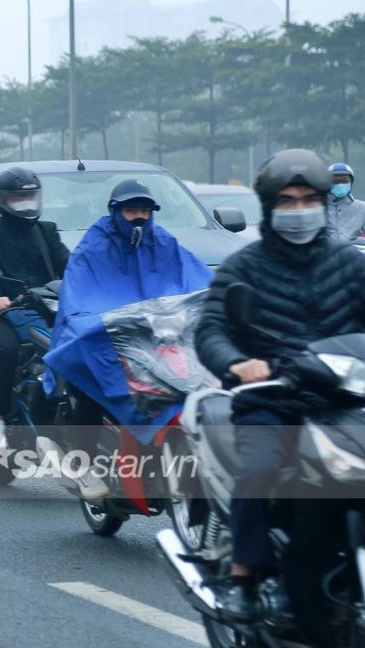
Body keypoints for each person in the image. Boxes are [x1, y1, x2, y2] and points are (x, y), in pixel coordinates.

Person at [196, 148, 365, 623]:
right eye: (287, 201)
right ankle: (245, 575)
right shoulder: (243, 266)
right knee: (264, 465)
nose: (298, 210)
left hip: (341, 398)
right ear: (270, 206)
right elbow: (210, 329)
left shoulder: (350, 264)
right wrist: (238, 363)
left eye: (308, 199)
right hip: (273, 399)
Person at [44, 179, 212, 499]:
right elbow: (78, 296)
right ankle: (84, 462)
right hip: (107, 331)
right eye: (131, 210)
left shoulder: (163, 241)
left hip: (156, 332)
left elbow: (197, 277)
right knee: (92, 378)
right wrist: (95, 323)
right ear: (115, 211)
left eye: (145, 211)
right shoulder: (94, 246)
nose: (138, 217)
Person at [0, 167, 71, 451]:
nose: (25, 204)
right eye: (18, 199)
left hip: (46, 307)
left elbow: (71, 266)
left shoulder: (46, 231)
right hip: (1, 313)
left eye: (30, 198)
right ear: (3, 201)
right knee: (8, 351)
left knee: (82, 345)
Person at [325, 162, 365, 241]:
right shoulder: (320, 207)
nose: (340, 184)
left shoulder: (362, 208)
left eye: (344, 181)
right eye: (335, 181)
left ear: (351, 182)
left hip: (353, 251)